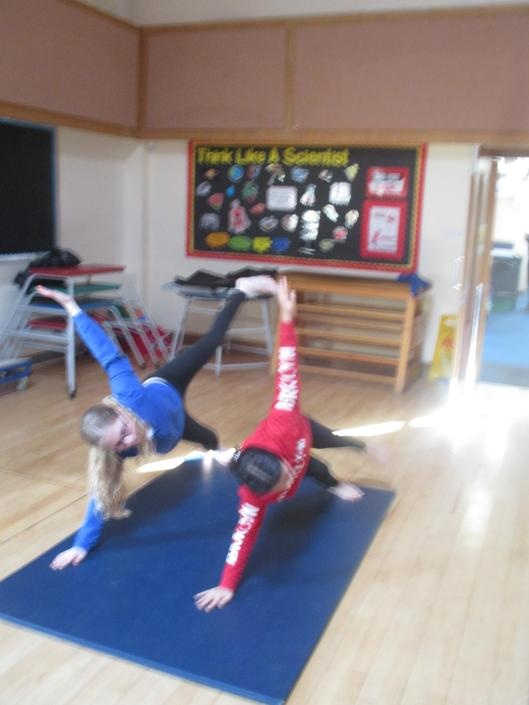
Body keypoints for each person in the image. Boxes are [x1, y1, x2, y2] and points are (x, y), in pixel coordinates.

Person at [35, 275, 278, 570]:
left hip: (168, 384)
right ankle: (215, 449)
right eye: (119, 445)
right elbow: (101, 494)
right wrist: (81, 544)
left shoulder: (128, 393)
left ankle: (241, 290)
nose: (128, 442)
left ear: (121, 413)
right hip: (176, 426)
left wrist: (73, 308)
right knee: (208, 436)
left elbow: (106, 353)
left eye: (124, 432)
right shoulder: (114, 453)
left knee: (212, 341)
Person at [194, 277, 382, 612]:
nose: (288, 481)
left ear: (279, 460)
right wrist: (226, 584)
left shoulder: (284, 412)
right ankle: (333, 483)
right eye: (281, 484)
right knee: (315, 468)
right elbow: (242, 537)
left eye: (285, 475)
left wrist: (286, 317)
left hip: (298, 431)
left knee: (334, 441)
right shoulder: (252, 496)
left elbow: (286, 364)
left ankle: (363, 448)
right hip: (290, 454)